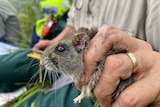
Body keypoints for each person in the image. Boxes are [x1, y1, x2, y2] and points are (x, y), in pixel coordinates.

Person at [0, 0, 160, 107]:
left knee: (32, 104)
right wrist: (55, 41)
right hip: (64, 59)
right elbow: (73, 23)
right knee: (5, 67)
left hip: (101, 79)